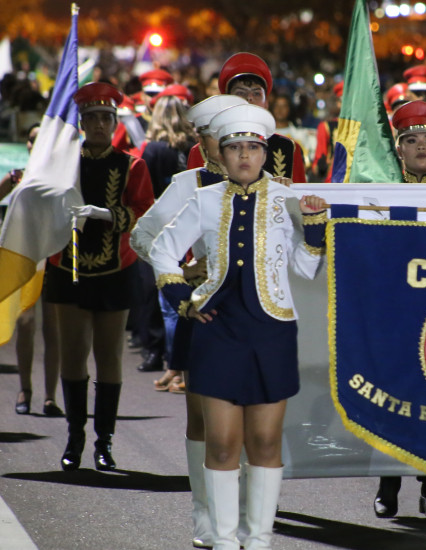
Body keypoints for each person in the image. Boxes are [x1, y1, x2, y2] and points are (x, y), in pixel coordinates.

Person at [148, 103, 327, 550]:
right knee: (224, 444)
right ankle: (225, 541)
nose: (244, 156)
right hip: (217, 331)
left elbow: (305, 271)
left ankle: (259, 540)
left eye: (252, 147)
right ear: (220, 155)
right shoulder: (204, 199)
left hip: (273, 331)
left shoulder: (288, 199)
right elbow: (162, 250)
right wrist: (183, 302)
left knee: (265, 440)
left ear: (265, 153)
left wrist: (316, 230)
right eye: (234, 148)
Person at [131, 93, 247, 549]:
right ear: (201, 140)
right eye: (213, 135)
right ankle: (207, 518)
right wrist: (182, 275)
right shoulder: (187, 183)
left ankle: (236, 515)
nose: (223, 142)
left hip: (256, 319)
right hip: (204, 315)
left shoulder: (266, 182)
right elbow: (144, 236)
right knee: (203, 420)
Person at [44, 82, 153, 472]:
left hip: (114, 270)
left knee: (109, 357)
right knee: (73, 357)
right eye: (91, 117)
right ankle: (74, 438)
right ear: (82, 122)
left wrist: (108, 215)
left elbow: (145, 212)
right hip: (67, 267)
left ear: (115, 121)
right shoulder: (62, 163)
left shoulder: (132, 165)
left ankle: (104, 442)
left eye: (106, 117)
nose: (99, 124)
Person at [371, 100, 426, 519]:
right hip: (394, 315)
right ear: (398, 149)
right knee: (393, 402)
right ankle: (388, 484)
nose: (421, 147)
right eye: (411, 140)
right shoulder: (379, 193)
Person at [0, 124, 63, 417]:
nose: (35, 143)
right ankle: (25, 388)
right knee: (26, 323)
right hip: (23, 257)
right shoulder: (16, 177)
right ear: (27, 145)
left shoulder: (61, 179)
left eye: (40, 138)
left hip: (54, 256)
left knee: (53, 327)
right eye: (31, 139)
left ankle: (50, 396)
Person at [138, 94, 198, 382]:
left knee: (167, 303)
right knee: (188, 297)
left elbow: (146, 196)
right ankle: (180, 366)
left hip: (164, 230)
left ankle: (175, 366)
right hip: (193, 228)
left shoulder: (151, 149)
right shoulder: (194, 148)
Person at [186, 53, 307, 184]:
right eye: (240, 93)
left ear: (267, 102)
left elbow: (298, 200)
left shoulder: (288, 148)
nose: (249, 98)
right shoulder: (203, 150)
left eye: (256, 93)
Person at [312, 82, 343, 182]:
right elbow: (318, 162)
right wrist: (322, 166)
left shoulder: (365, 126)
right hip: (335, 182)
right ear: (338, 103)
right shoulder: (327, 127)